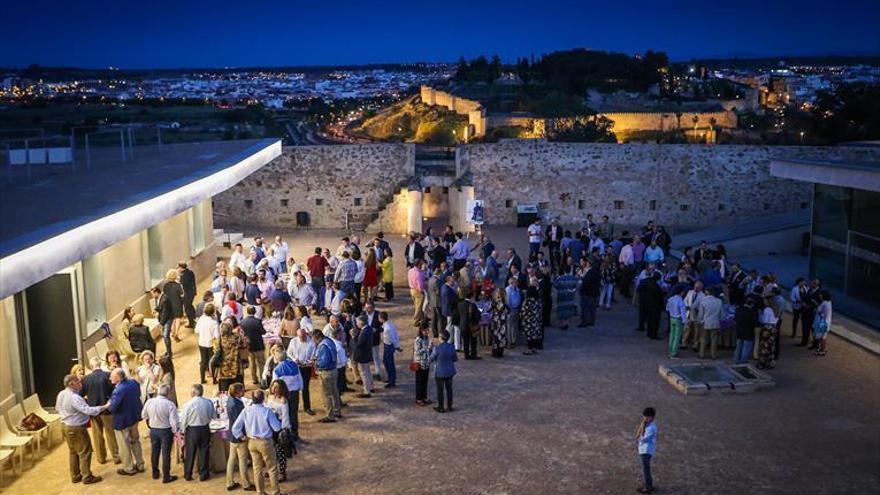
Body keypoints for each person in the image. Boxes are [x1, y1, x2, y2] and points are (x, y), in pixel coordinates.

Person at [56, 373, 108, 485]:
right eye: (78, 382)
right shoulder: (74, 397)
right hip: (76, 428)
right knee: (85, 451)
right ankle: (87, 476)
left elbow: (57, 408)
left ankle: (75, 476)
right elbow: (88, 410)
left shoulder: (61, 393)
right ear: (71, 384)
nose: (81, 383)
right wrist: (104, 407)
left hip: (65, 426)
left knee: (73, 451)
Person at [230, 390, 283, 495]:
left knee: (257, 468)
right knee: (271, 468)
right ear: (263, 399)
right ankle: (275, 492)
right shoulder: (267, 411)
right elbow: (277, 428)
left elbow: (235, 427)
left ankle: (260, 492)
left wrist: (242, 437)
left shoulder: (246, 410)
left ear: (252, 399)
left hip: (252, 442)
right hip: (265, 442)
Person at [81, 356, 120, 465]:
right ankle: (116, 456)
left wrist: (88, 399)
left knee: (97, 435)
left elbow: (81, 395)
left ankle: (101, 458)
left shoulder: (85, 379)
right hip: (107, 410)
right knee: (111, 434)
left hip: (93, 411)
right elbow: (114, 392)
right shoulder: (107, 375)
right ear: (100, 364)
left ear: (91, 365)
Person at [108, 368, 145, 476]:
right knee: (135, 441)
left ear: (118, 377)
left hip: (122, 421)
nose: (110, 378)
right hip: (134, 418)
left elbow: (112, 408)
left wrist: (109, 403)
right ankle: (140, 464)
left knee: (124, 445)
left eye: (112, 376)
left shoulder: (118, 390)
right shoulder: (133, 383)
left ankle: (129, 468)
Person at [141, 383, 179, 484]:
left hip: (154, 430)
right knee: (166, 453)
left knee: (155, 451)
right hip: (165, 430)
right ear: (168, 393)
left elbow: (143, 415)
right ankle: (166, 476)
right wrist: (175, 431)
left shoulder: (149, 402)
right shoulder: (170, 404)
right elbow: (174, 422)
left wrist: (151, 422)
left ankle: (155, 473)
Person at [180, 383, 216, 481]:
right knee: (204, 452)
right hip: (205, 429)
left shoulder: (187, 404)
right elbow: (214, 416)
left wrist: (182, 431)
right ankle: (204, 474)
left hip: (192, 430)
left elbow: (184, 420)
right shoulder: (208, 402)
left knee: (190, 453)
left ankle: (188, 474)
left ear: (193, 392)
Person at [225, 383, 255, 490]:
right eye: (242, 390)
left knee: (232, 459)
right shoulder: (237, 405)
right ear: (237, 392)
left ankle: (229, 482)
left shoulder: (230, 400)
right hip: (239, 436)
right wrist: (243, 436)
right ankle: (246, 484)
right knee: (242, 460)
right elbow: (240, 423)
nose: (244, 391)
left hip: (232, 436)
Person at [270, 348, 303, 443]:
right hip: (294, 393)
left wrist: (273, 395)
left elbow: (275, 384)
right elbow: (300, 379)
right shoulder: (294, 365)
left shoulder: (277, 370)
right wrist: (300, 388)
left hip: (283, 394)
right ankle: (295, 433)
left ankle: (285, 436)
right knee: (294, 413)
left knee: (284, 415)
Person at [313, 329, 342, 423]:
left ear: (318, 338)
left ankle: (330, 415)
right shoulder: (329, 341)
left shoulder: (323, 346)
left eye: (314, 339)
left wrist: (316, 363)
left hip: (326, 372)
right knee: (334, 391)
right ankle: (337, 411)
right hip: (334, 370)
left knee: (326, 394)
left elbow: (324, 362)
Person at [287, 326, 316, 415]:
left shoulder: (311, 342)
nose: (301, 339)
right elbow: (289, 352)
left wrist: (309, 361)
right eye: (300, 337)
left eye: (303, 337)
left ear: (306, 335)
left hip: (306, 367)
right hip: (295, 367)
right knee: (293, 387)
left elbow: (313, 354)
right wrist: (295, 360)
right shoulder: (293, 341)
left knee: (305, 387)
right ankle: (292, 407)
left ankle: (307, 407)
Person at [266, 380, 292, 481]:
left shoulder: (283, 401)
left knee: (280, 452)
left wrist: (284, 430)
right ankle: (271, 470)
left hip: (280, 427)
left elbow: (285, 417)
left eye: (277, 387)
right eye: (273, 386)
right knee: (270, 451)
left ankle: (282, 473)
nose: (274, 389)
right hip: (270, 426)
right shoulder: (269, 397)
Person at [430, 330, 457, 413]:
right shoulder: (451, 347)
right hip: (449, 371)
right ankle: (449, 406)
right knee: (449, 389)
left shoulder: (437, 348)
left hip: (439, 372)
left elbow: (431, 358)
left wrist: (430, 350)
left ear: (441, 338)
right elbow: (455, 359)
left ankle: (441, 407)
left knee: (440, 390)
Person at [160, 269, 185, 357]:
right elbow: (182, 295)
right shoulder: (178, 285)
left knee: (172, 319)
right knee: (177, 318)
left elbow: (164, 295)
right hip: (177, 303)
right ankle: (176, 333)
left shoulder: (165, 285)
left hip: (169, 304)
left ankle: (172, 331)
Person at [215, 322, 245, 393]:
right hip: (236, 367)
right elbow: (244, 344)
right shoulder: (237, 337)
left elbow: (217, 353)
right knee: (238, 390)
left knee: (224, 391)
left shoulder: (219, 340)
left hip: (224, 369)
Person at [240, 306, 267, 385]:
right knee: (261, 363)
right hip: (258, 345)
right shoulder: (257, 321)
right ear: (254, 312)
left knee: (252, 363)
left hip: (249, 345)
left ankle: (254, 379)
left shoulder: (243, 322)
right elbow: (263, 332)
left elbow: (242, 334)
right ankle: (262, 379)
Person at [194, 303, 220, 385]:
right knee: (212, 361)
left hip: (201, 342)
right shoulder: (214, 322)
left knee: (203, 361)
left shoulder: (201, 319)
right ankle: (214, 379)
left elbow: (196, 330)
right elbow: (217, 335)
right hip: (211, 344)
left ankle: (202, 379)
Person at [351, 315, 375, 398]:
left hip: (362, 355)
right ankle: (371, 387)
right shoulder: (369, 329)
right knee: (367, 372)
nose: (357, 324)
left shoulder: (364, 332)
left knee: (364, 373)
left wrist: (353, 337)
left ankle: (366, 391)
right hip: (367, 354)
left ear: (361, 322)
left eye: (357, 322)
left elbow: (358, 344)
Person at [636, 407, 658, 494]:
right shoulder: (648, 425)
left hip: (646, 451)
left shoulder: (651, 428)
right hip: (644, 450)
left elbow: (643, 438)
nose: (644, 419)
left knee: (646, 469)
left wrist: (642, 427)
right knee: (646, 469)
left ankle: (648, 487)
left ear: (651, 417)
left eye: (646, 417)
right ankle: (649, 485)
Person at [698, 288, 723, 359]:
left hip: (705, 322)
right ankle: (713, 355)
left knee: (703, 339)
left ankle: (702, 354)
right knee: (714, 339)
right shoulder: (719, 301)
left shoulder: (703, 301)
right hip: (715, 322)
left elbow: (701, 314)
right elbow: (722, 314)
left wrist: (700, 321)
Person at [379, 311, 402, 386]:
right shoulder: (389, 324)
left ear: (381, 318)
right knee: (386, 362)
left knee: (389, 363)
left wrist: (397, 347)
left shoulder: (387, 329)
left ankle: (392, 380)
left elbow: (393, 338)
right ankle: (390, 378)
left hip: (389, 346)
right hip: (388, 345)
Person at [733, 297, 759, 365]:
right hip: (749, 332)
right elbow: (756, 323)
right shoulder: (753, 312)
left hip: (739, 331)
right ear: (751, 304)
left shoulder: (738, 309)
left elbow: (735, 319)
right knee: (746, 348)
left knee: (738, 346)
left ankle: (736, 360)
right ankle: (743, 362)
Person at [413, 326, 433, 406]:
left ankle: (424, 397)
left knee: (425, 381)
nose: (427, 331)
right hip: (420, 364)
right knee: (419, 382)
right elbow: (417, 352)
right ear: (421, 330)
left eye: (428, 330)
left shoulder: (427, 338)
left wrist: (431, 348)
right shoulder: (418, 339)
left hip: (426, 363)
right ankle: (418, 398)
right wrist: (427, 348)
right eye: (426, 330)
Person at [757, 295, 779, 369]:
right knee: (771, 346)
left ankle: (762, 363)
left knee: (764, 346)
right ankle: (770, 363)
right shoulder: (776, 308)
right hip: (774, 328)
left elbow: (764, 320)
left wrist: (760, 315)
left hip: (767, 328)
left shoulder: (767, 309)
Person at [665, 286, 687, 358]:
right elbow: (683, 313)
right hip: (678, 319)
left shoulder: (670, 299)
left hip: (672, 318)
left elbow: (667, 308)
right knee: (677, 337)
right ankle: (673, 353)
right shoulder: (681, 301)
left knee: (672, 335)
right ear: (681, 292)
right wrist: (685, 321)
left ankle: (670, 350)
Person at [579, 259, 600, 328]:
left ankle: (585, 321)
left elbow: (586, 283)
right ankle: (591, 321)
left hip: (587, 293)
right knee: (592, 308)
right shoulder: (596, 271)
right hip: (594, 293)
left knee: (585, 308)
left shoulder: (589, 273)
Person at [488, 288, 509, 357]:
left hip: (497, 322)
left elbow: (489, 310)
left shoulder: (495, 302)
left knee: (496, 338)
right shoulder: (503, 303)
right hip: (500, 322)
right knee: (500, 338)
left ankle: (496, 353)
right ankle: (499, 353)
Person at [408, 260, 427, 328]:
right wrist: (422, 290)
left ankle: (422, 318)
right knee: (418, 307)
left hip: (412, 289)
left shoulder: (411, 270)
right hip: (417, 291)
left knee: (417, 306)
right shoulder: (418, 273)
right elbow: (420, 285)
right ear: (419, 264)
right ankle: (415, 321)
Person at [813, 290, 832, 356]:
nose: (820, 296)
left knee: (822, 337)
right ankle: (824, 348)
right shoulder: (829, 302)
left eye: (821, 294)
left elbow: (819, 311)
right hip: (827, 322)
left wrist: (816, 308)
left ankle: (822, 350)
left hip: (823, 322)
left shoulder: (824, 303)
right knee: (824, 336)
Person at [178, 261, 197, 328]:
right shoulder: (190, 272)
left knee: (187, 308)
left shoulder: (183, 275)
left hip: (187, 293)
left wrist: (179, 279)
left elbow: (184, 284)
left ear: (180, 267)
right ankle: (194, 316)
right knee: (190, 305)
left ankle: (191, 322)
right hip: (192, 292)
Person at [505, 277, 522, 347]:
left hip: (517, 309)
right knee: (509, 326)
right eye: (516, 282)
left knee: (515, 326)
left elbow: (519, 298)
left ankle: (513, 340)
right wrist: (509, 309)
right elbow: (507, 301)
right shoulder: (508, 290)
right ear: (511, 283)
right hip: (510, 309)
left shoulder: (517, 289)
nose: (517, 283)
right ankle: (508, 341)